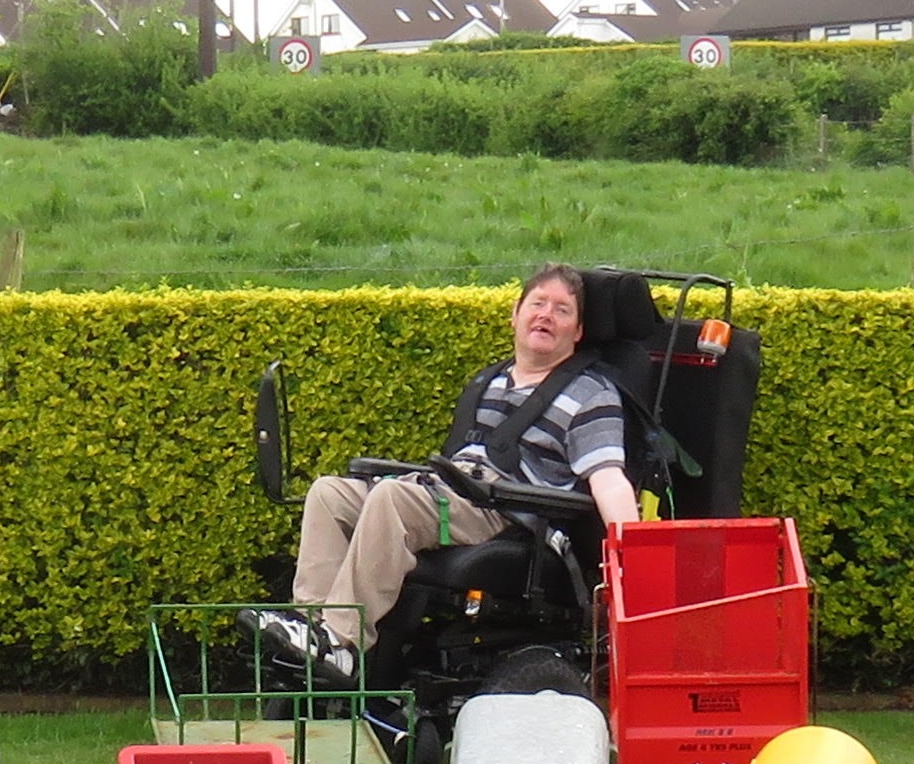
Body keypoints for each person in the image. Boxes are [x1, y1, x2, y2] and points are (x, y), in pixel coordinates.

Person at [265, 262, 639, 674]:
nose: (546, 315)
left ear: (579, 331)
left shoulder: (592, 395)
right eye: (538, 304)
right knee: (329, 493)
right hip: (453, 491)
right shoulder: (489, 381)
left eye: (562, 309)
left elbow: (609, 479)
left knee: (393, 499)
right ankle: (312, 629)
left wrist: (635, 553)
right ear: (515, 315)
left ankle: (342, 641)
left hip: (509, 513)